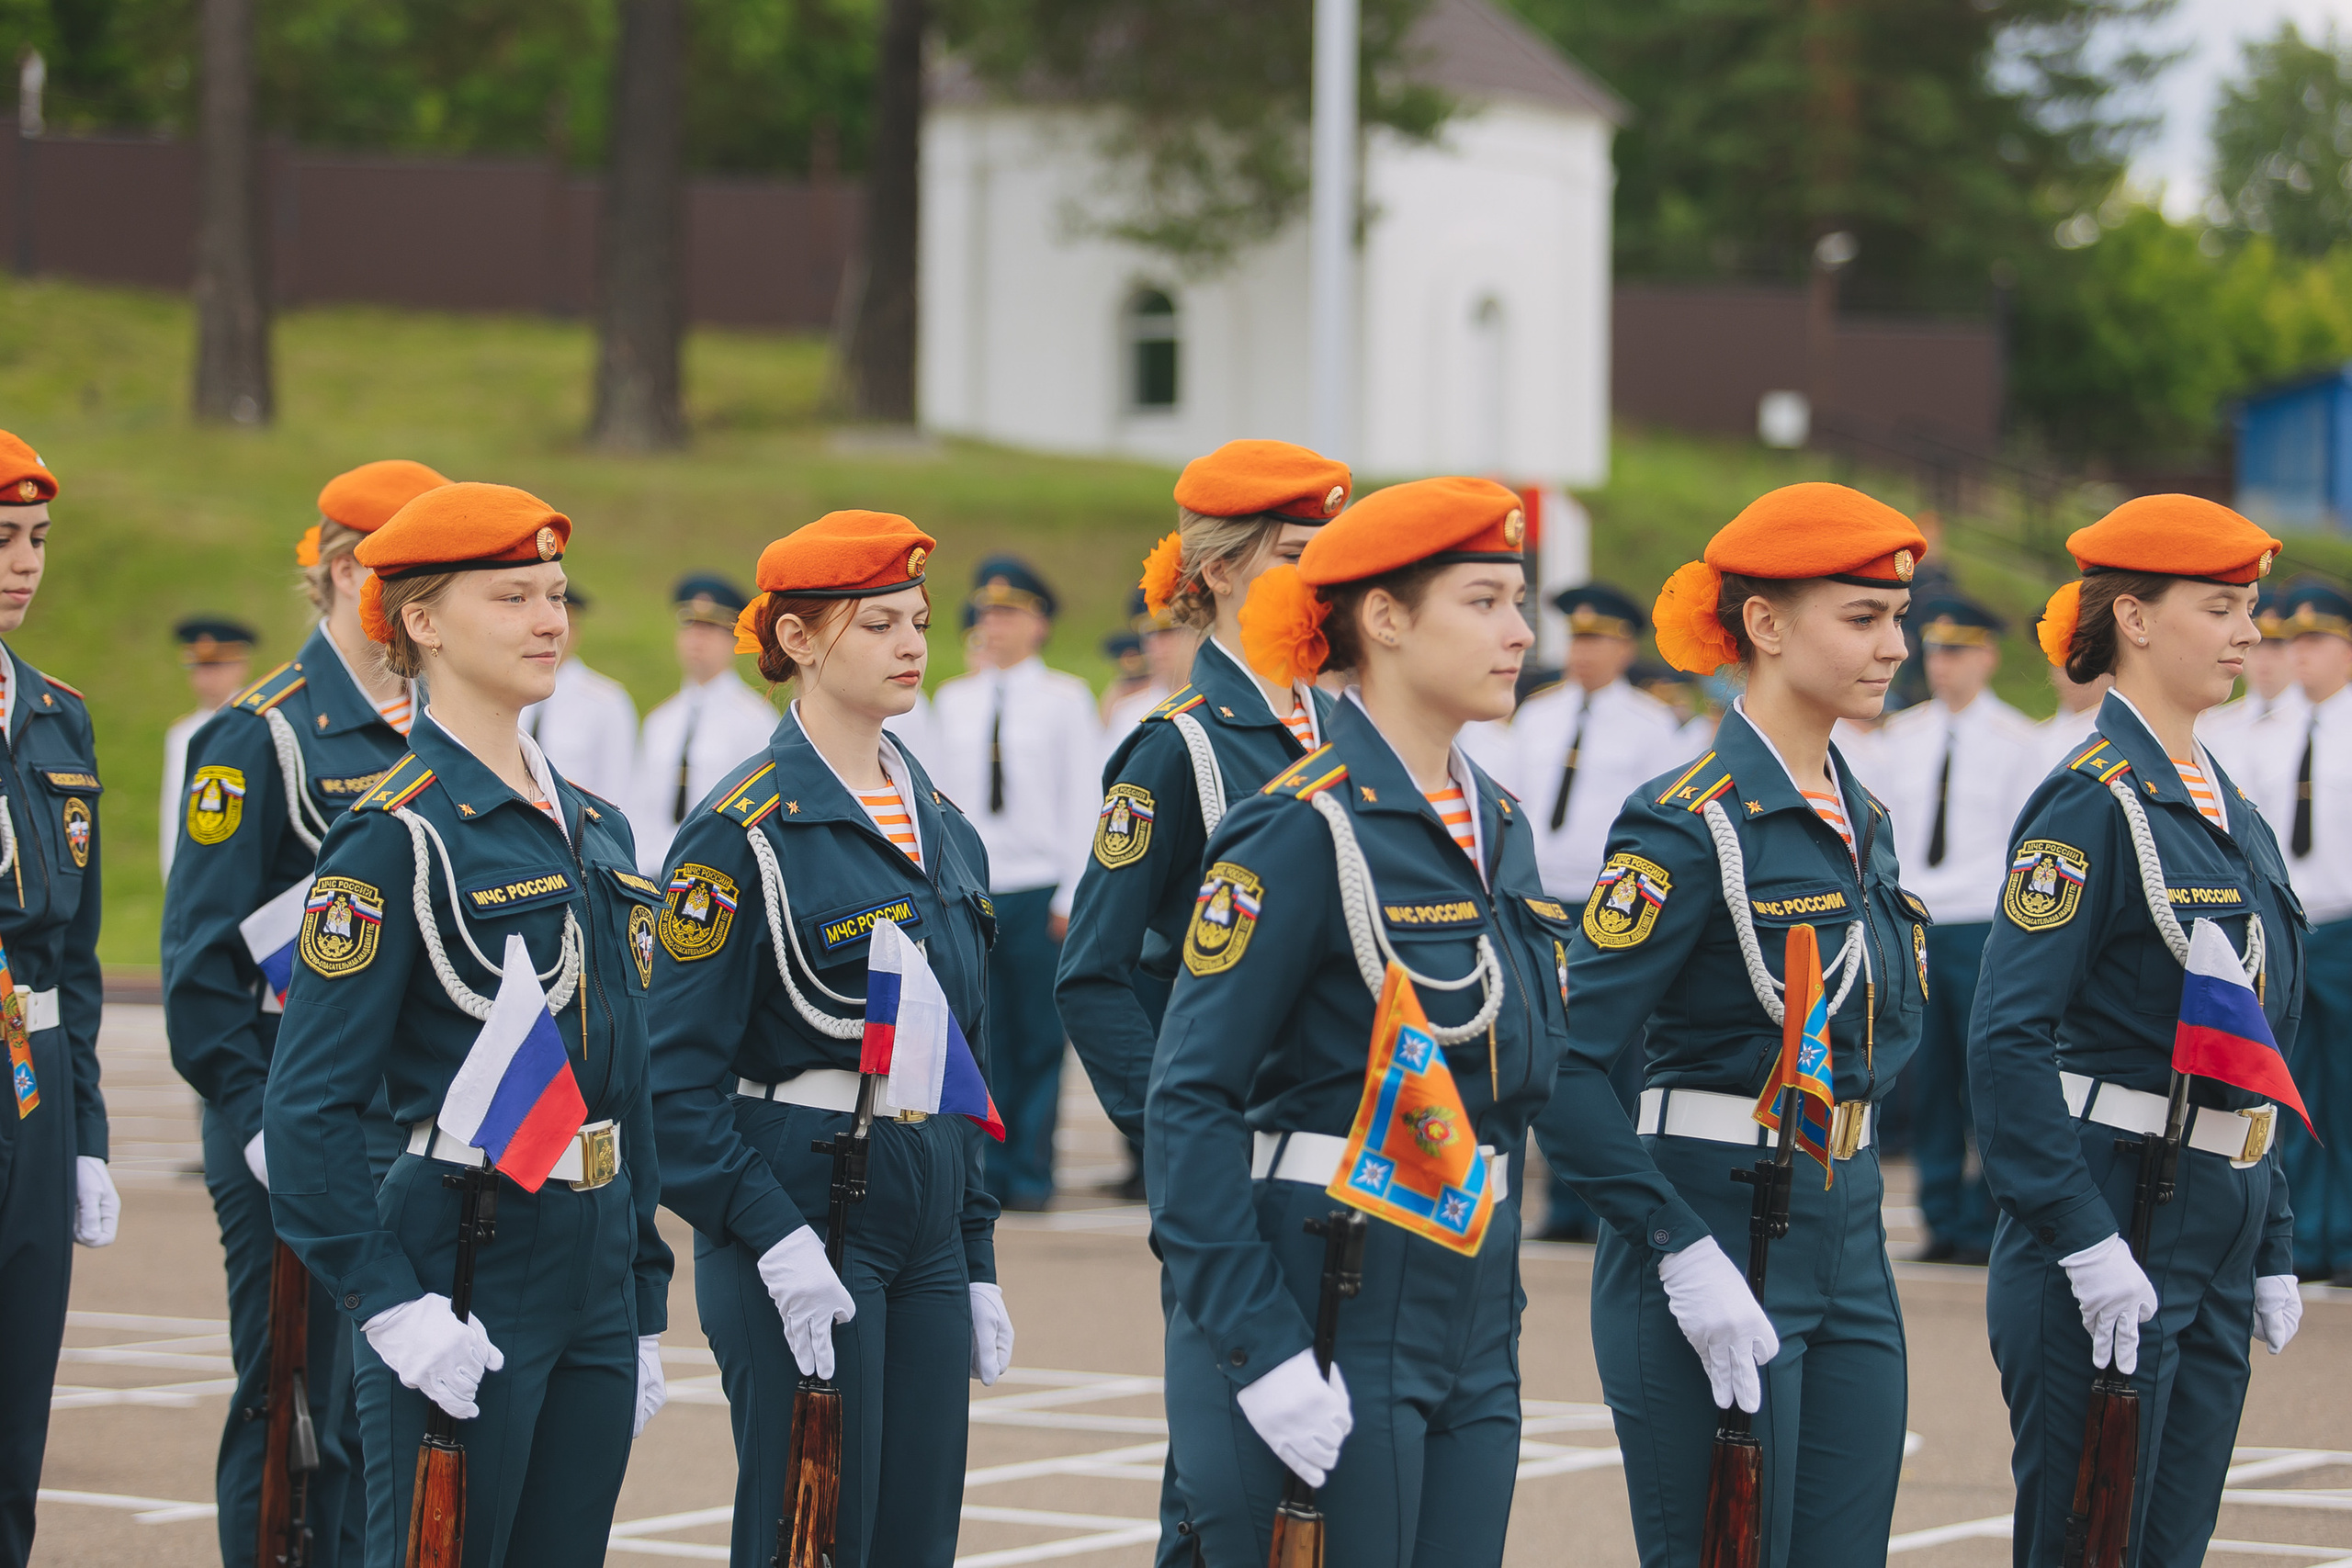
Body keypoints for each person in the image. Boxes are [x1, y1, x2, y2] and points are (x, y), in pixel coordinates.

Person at [1148, 475, 1561, 1565]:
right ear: (1383, 618)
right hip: (1327, 1280)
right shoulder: (1297, 828)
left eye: (1519, 601)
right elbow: (1188, 1099)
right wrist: (1258, 1343)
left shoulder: (1497, 823)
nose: (1520, 632)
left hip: (1471, 1287)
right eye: (1482, 601)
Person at [261, 483, 673, 1566]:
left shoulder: (596, 823)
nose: (550, 620)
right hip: (464, 1250)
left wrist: (639, 1288)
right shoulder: (394, 840)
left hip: (590, 1249)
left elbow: (625, 1077)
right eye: (513, 597)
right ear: (423, 623)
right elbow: (306, 1111)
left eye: (554, 594)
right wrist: (389, 1306)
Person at [1552, 482, 1929, 1568]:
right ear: (1763, 625)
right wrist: (1674, 1246)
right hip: (1717, 1216)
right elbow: (1568, 1069)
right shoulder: (1685, 822)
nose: (1893, 646)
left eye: (1896, 617)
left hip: (1843, 1217)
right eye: (1860, 618)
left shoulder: (1860, 816)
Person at [648, 511, 1006, 1568]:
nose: (910, 645)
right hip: (803, 1207)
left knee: (913, 1539)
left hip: (927, 1210)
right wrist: (773, 1238)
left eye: (919, 622)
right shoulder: (742, 830)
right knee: (810, 1537)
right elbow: (674, 1085)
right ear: (798, 640)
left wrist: (976, 1248)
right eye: (878, 622)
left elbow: (962, 1056)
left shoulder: (942, 822)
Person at [1971, 495, 2307, 1567]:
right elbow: (2006, 1039)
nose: (2249, 632)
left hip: (2210, 1219)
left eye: (2248, 606)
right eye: (2222, 606)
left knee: (2167, 1550)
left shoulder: (2224, 808)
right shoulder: (2091, 804)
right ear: (2136, 618)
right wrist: (2080, 1239)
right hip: (2116, 1211)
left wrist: (2272, 1237)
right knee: (2086, 1546)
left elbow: (2246, 1041)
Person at [1055, 439, 1347, 1550]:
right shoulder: (1176, 754)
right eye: (1296, 554)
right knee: (1228, 1503)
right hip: (1240, 1167)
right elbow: (1093, 975)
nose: (1323, 581)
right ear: (1220, 571)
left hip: (1358, 1167)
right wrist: (1183, 1149)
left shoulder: (1356, 732)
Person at [161, 457, 450, 1568]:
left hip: (413, 1119)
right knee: (295, 1409)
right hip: (296, 1120)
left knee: (394, 1411)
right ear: (342, 574)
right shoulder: (263, 735)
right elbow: (199, 968)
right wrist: (260, 1120)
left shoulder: (446, 726)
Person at [0, 431, 113, 1568]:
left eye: (36, 540)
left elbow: (75, 958)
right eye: (2, 540)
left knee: (16, 1402)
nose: (24, 563)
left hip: (29, 1095)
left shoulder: (52, 717)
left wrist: (86, 1133)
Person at [1849, 596, 2039, 1265]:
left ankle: (1988, 1215)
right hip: (1918, 922)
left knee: (1984, 1076)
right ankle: (1938, 1213)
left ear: (1987, 655)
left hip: (1984, 923)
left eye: (1958, 651)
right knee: (1926, 1077)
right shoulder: (1900, 736)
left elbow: (2026, 848)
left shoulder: (2021, 741)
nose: (1943, 664)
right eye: (1935, 651)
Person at [1505, 584, 1697, 1242]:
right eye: (1577, 639)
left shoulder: (1652, 725)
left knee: (1608, 1056)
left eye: (1598, 640)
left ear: (1625, 647)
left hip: (1609, 902)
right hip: (1543, 898)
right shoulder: (1536, 713)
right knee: (1542, 1047)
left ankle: (1600, 1198)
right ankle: (1557, 1206)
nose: (1583, 653)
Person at [929, 558, 1099, 1209]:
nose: (993, 625)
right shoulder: (953, 698)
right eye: (986, 614)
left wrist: (1070, 894)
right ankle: (982, 1172)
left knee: (1036, 1036)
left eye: (1008, 613)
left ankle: (1029, 1170)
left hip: (1037, 888)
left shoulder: (1065, 699)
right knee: (978, 1035)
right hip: (971, 890)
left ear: (1039, 624)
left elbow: (1085, 797)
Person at [2251, 579, 2352, 1284]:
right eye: (2290, 642)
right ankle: (2311, 1236)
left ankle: (2345, 1234)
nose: (2300, 656)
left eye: (2316, 641)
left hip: (2348, 923)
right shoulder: (2264, 731)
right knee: (2294, 1088)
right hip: (2290, 926)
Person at [631, 574, 779, 874]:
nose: (697, 639)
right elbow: (638, 805)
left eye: (711, 628)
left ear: (734, 639)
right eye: (690, 626)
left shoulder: (755, 720)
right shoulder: (661, 720)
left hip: (722, 873)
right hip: (653, 870)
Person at [521, 583, 639, 804]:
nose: (551, 635)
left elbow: (617, 790)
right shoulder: (508, 690)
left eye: (563, 626)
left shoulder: (606, 702)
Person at [161, 617, 258, 879]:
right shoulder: (180, 734)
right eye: (200, 667)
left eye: (216, 666)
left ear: (241, 666)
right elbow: (173, 814)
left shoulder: (261, 724)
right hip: (195, 869)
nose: (206, 677)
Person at [2199, 582, 2297, 784]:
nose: (2265, 661)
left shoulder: (2314, 725)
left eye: (2277, 648)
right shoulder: (2214, 725)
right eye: (2257, 647)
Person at [1102, 588, 1199, 738]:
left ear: (1197, 633)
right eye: (1148, 633)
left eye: (1168, 631)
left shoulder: (1223, 702)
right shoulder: (1129, 714)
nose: (1155, 643)